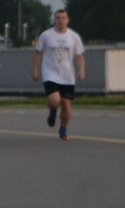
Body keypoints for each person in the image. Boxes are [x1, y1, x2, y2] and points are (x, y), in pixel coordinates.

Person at [32, 9, 86, 141]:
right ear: (54, 20)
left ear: (67, 20)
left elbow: (79, 56)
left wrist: (81, 70)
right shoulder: (46, 35)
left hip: (67, 75)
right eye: (58, 18)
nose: (60, 20)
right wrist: (35, 70)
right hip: (50, 73)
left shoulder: (73, 36)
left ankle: (63, 128)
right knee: (55, 100)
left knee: (66, 104)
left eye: (63, 18)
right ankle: (52, 110)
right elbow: (37, 53)